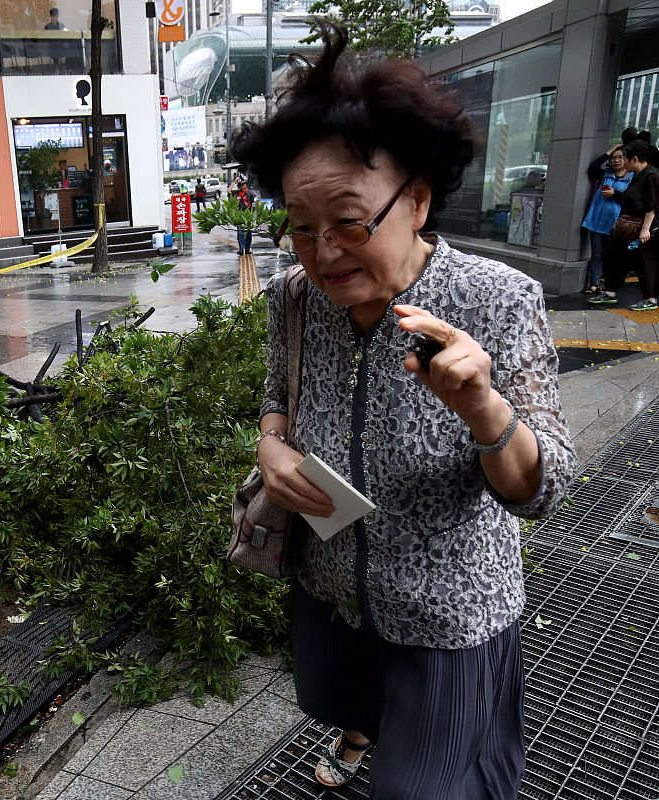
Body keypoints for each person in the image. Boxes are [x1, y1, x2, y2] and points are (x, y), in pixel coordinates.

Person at [232, 23, 576, 798]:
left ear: (416, 199)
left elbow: (544, 487)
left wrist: (485, 409)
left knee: (427, 787)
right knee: (333, 698)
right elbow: (275, 395)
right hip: (332, 590)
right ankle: (363, 729)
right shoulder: (294, 298)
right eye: (301, 226)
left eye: (350, 222)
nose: (323, 252)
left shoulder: (497, 300)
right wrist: (271, 446)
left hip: (448, 615)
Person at [591, 139, 659, 309]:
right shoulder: (637, 175)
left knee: (643, 262)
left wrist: (645, 230)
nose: (622, 162)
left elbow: (652, 206)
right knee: (611, 255)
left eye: (625, 158)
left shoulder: (651, 175)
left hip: (644, 232)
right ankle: (610, 292)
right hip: (626, 229)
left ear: (635, 159)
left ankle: (650, 299)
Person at [580, 146, 632, 293]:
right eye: (613, 158)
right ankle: (594, 284)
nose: (616, 160)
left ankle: (612, 286)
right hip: (596, 221)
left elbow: (632, 200)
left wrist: (614, 194)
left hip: (617, 225)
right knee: (596, 254)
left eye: (620, 157)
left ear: (627, 159)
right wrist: (609, 151)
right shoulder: (605, 175)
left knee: (614, 257)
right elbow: (592, 168)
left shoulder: (632, 179)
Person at [235, 178, 256, 254]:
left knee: (248, 232)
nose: (242, 187)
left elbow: (255, 204)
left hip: (248, 215)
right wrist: (234, 182)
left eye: (243, 185)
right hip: (239, 215)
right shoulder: (237, 193)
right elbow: (228, 191)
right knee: (240, 232)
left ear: (246, 185)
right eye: (240, 185)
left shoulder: (251, 193)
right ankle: (242, 248)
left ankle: (247, 248)